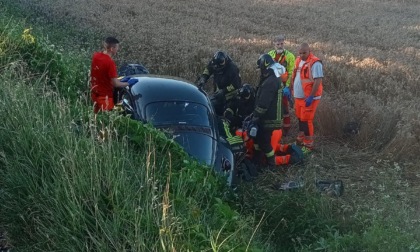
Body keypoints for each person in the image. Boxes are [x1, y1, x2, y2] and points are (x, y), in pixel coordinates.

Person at [251, 54, 284, 167]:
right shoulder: (271, 77)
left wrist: (255, 116)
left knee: (265, 143)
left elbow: (263, 103)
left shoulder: (270, 81)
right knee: (258, 138)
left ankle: (271, 165)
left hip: (269, 118)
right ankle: (258, 160)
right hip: (268, 116)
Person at [90, 37, 138, 113]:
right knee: (106, 121)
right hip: (105, 98)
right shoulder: (110, 63)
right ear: (112, 49)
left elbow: (102, 76)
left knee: (95, 118)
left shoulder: (96, 56)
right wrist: (128, 83)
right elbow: (115, 84)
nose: (118, 50)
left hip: (94, 95)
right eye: (117, 47)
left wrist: (119, 80)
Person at [292, 43, 323, 152]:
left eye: (304, 53)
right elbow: (295, 75)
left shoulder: (315, 63)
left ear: (309, 51)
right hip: (298, 97)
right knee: (300, 118)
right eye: (300, 53)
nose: (302, 55)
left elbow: (318, 80)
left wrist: (311, 96)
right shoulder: (298, 61)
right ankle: (301, 138)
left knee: (306, 120)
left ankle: (308, 145)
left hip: (309, 98)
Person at [198, 51, 242, 115]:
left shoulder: (232, 68)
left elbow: (236, 85)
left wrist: (224, 91)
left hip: (230, 95)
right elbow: (208, 70)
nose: (217, 68)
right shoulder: (214, 62)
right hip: (218, 91)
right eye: (216, 66)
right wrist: (203, 78)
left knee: (219, 109)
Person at [268, 35, 296, 135]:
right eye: (278, 44)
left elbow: (291, 72)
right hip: (272, 85)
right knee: (273, 106)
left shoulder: (290, 56)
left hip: (284, 85)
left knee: (285, 107)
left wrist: (287, 87)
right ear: (274, 44)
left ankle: (286, 130)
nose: (280, 46)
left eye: (282, 44)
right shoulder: (270, 55)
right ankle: (275, 129)